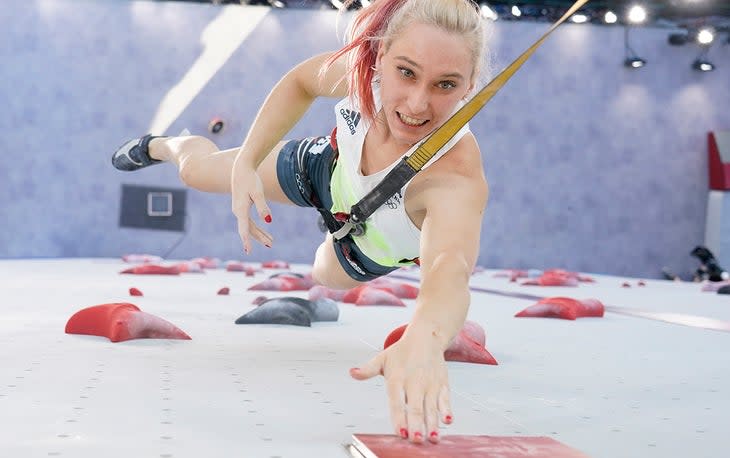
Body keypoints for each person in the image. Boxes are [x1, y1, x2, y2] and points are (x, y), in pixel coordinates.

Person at [112, 0, 488, 444]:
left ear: (469, 88)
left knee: (325, 274)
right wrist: (248, 162)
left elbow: (449, 268)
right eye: (406, 72)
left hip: (366, 244)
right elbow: (299, 82)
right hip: (324, 169)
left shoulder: (456, 174)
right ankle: (165, 145)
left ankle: (332, 237)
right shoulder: (361, 71)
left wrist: (427, 333)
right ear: (381, 56)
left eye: (446, 85)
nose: (418, 102)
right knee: (197, 171)